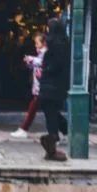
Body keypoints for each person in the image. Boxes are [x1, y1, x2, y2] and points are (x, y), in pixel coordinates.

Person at [38, 18, 69, 162]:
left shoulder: (54, 44)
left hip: (50, 85)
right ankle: (64, 132)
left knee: (50, 114)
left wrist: (46, 70)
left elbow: (55, 65)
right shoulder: (62, 42)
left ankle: (52, 142)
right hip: (55, 86)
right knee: (52, 113)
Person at [11, 33, 46, 138]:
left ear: (43, 43)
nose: (35, 46)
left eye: (37, 43)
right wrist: (30, 62)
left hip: (42, 86)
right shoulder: (40, 53)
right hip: (39, 85)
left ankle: (23, 129)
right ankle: (65, 130)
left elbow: (43, 63)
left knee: (34, 108)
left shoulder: (45, 53)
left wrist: (31, 59)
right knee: (49, 110)